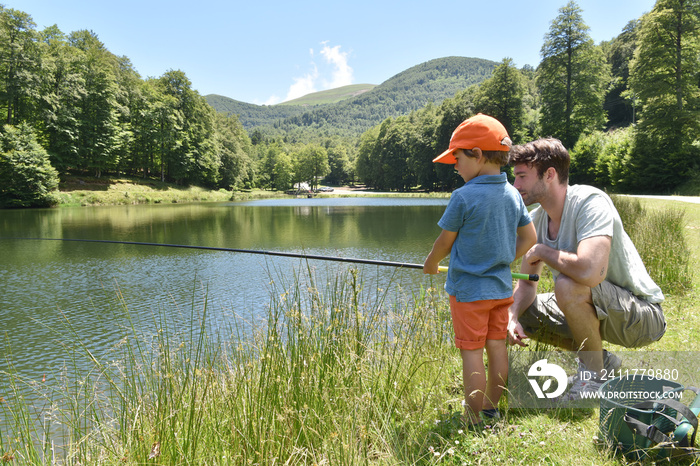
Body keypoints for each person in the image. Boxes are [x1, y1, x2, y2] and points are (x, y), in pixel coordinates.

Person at [507, 138, 666, 399]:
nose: (516, 185)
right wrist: (512, 315)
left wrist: (544, 251)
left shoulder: (590, 202)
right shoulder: (537, 219)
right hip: (601, 307)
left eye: (522, 176)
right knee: (524, 309)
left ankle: (594, 380)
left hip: (641, 317)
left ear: (549, 174)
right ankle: (601, 362)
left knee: (568, 285)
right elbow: (526, 283)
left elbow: (590, 273)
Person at [423, 114, 537, 428]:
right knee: (497, 347)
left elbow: (445, 242)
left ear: (476, 154)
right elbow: (530, 238)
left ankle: (474, 417)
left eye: (457, 159)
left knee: (471, 353)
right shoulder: (512, 194)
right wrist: (501, 260)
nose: (455, 166)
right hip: (501, 290)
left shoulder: (463, 197)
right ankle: (491, 408)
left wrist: (431, 263)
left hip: (468, 293)